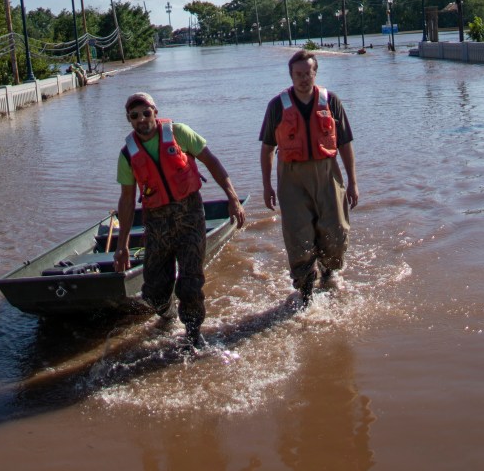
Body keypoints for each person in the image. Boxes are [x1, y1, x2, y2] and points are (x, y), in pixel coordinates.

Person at [114, 92, 245, 347]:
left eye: (146, 113)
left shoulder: (179, 133)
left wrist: (232, 197)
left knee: (190, 284)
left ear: (155, 111)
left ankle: (193, 336)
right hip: (157, 223)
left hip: (190, 217)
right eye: (135, 116)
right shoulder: (127, 155)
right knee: (153, 292)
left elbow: (211, 161)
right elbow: (127, 201)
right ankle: (168, 313)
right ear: (129, 120)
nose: (142, 119)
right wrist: (122, 246)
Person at [259, 50, 359, 305]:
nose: (303, 78)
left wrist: (353, 183)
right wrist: (267, 185)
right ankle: (305, 292)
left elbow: (345, 144)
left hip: (327, 174)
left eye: (308, 73)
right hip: (292, 179)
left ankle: (328, 271)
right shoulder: (277, 106)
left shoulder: (331, 101)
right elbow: (268, 148)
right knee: (298, 237)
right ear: (291, 76)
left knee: (336, 233)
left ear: (315, 73)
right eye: (298, 74)